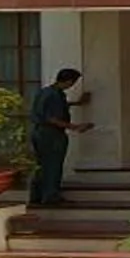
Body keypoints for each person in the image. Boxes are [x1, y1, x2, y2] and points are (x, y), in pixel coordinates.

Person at [27, 66, 89, 208]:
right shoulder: (56, 94)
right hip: (51, 134)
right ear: (68, 81)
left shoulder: (45, 92)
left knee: (41, 165)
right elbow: (52, 118)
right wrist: (75, 127)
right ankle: (50, 195)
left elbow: (46, 109)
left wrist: (76, 103)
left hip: (39, 132)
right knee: (53, 165)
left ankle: (37, 195)